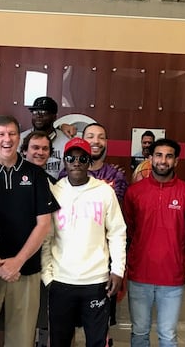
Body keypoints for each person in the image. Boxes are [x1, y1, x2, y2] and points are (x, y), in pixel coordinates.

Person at [0, 115, 60, 347]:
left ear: (18, 137)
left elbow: (44, 224)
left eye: (11, 134)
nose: (7, 139)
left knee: (21, 338)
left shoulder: (36, 175)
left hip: (26, 270)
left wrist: (17, 262)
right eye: (0, 134)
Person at [41, 137, 126, 347]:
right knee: (59, 341)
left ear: (89, 162)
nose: (76, 162)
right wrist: (47, 276)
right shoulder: (54, 192)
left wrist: (118, 270)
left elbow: (117, 232)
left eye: (82, 158)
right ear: (65, 162)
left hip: (96, 281)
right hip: (61, 281)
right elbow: (46, 237)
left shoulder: (105, 191)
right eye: (71, 158)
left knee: (97, 341)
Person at [123, 138, 185, 347]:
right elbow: (128, 230)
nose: (163, 161)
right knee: (139, 332)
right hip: (139, 275)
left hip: (172, 278)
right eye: (158, 155)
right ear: (150, 158)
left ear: (176, 161)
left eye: (169, 156)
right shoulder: (134, 192)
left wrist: (179, 260)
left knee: (167, 335)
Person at [58, 123, 128, 201]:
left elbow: (117, 208)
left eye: (101, 137)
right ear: (82, 140)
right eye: (90, 137)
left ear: (106, 142)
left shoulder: (115, 175)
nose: (96, 141)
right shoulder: (67, 173)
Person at [19, 96, 69, 180]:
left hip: (56, 188)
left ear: (54, 117)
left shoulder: (66, 141)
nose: (38, 115)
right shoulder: (21, 139)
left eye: (43, 112)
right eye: (35, 112)